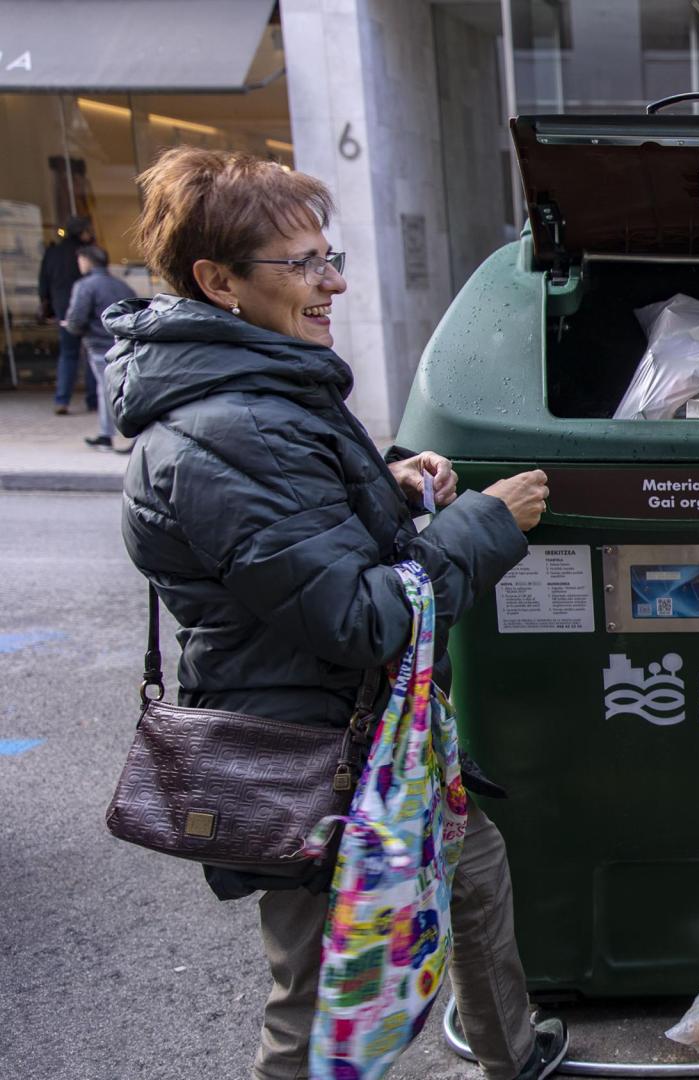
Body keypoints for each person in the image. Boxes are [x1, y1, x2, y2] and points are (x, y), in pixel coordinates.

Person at [104, 146, 568, 1080]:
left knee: (472, 874)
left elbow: (300, 533)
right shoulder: (227, 425)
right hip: (307, 756)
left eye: (331, 255)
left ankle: (509, 1052)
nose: (336, 282)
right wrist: (483, 523)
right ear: (217, 281)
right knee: (318, 1000)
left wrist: (387, 489)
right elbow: (361, 615)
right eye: (305, 264)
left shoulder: (259, 394)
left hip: (380, 742)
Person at [63, 245, 135, 450]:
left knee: (106, 390)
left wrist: (70, 327)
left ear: (86, 260)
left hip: (99, 344)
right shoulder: (122, 285)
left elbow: (76, 318)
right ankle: (112, 435)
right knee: (123, 388)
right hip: (124, 344)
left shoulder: (85, 286)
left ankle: (107, 435)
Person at [40, 215, 98, 414]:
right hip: (88, 308)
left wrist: (48, 308)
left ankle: (62, 400)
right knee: (92, 353)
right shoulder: (87, 253)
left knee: (68, 354)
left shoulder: (53, 253)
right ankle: (93, 400)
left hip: (63, 310)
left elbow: (43, 283)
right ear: (82, 232)